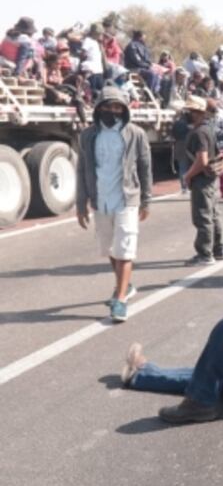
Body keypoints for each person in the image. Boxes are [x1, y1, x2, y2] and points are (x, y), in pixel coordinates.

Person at [75, 86, 153, 322]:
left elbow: (145, 167)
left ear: (124, 109)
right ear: (99, 108)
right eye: (108, 106)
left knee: (125, 250)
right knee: (110, 249)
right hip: (101, 201)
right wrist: (81, 204)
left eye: (117, 106)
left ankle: (120, 300)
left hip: (126, 200)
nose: (113, 110)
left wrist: (146, 200)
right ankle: (125, 285)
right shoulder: (88, 136)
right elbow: (82, 170)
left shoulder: (136, 134)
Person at [181, 96, 223, 265]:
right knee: (213, 214)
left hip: (202, 180)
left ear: (198, 113)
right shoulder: (208, 129)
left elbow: (202, 160)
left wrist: (188, 176)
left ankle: (205, 253)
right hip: (210, 179)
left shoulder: (200, 132)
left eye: (189, 111)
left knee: (203, 217)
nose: (186, 114)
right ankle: (218, 248)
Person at [124, 30, 160, 94]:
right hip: (133, 68)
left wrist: (150, 64)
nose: (145, 38)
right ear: (140, 37)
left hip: (141, 67)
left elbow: (146, 59)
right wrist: (147, 65)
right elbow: (136, 61)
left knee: (157, 74)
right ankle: (148, 93)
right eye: (144, 36)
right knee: (152, 74)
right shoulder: (132, 46)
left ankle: (154, 92)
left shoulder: (142, 46)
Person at [172, 107, 193, 194]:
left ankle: (183, 187)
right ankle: (187, 186)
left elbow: (173, 133)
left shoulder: (175, 124)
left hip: (177, 144)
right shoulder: (186, 125)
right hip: (185, 145)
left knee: (182, 167)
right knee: (187, 167)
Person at [80, 24, 106, 94]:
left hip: (98, 70)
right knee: (92, 91)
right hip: (91, 69)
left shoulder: (96, 42)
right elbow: (82, 53)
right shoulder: (87, 40)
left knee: (100, 91)